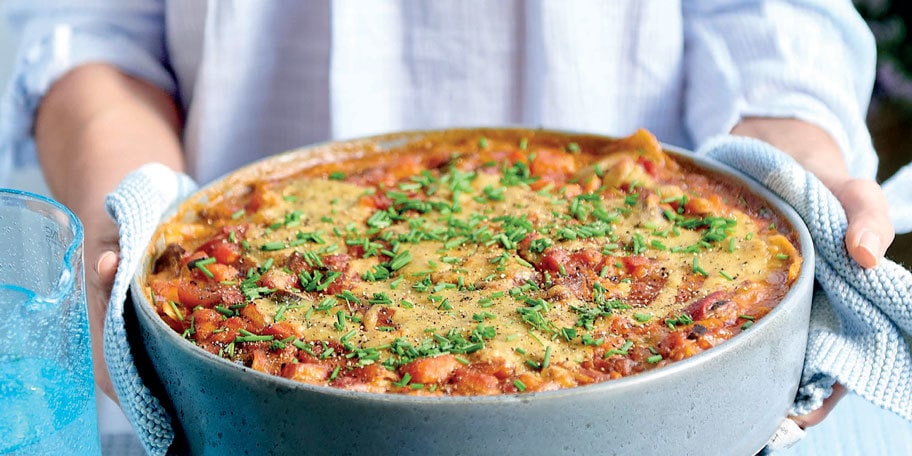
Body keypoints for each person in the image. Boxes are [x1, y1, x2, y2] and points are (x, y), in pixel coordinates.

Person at [0, 0, 898, 446]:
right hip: (244, 323)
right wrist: (130, 215)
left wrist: (791, 163)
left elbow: (772, 13)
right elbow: (93, 36)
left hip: (659, 243)